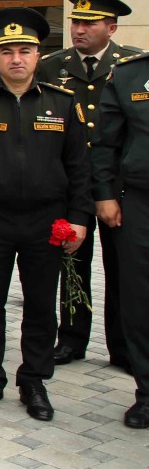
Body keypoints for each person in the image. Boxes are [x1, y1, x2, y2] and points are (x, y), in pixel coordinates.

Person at [0, 9, 89, 422]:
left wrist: (79, 218)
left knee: (41, 304)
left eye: (25, 50)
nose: (16, 59)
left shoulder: (62, 104)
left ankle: (33, 378)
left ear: (37, 55)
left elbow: (81, 167)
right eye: (7, 51)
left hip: (46, 221)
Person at [39, 0, 137, 369]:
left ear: (110, 28)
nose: (78, 29)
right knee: (72, 262)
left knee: (122, 268)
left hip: (116, 183)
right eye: (75, 22)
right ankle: (72, 338)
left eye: (88, 23)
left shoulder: (129, 65)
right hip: (70, 183)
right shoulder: (52, 66)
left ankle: (123, 344)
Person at [90, 34, 149, 428]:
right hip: (141, 202)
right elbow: (105, 143)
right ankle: (147, 390)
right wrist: (106, 194)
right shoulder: (130, 75)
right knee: (139, 297)